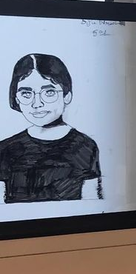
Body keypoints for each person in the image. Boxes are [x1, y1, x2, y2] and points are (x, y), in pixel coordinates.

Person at [0, 53, 101, 203]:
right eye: (26, 93)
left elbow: (92, 203)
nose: (37, 103)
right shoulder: (6, 149)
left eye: (49, 92)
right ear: (16, 98)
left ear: (66, 95)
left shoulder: (85, 146)